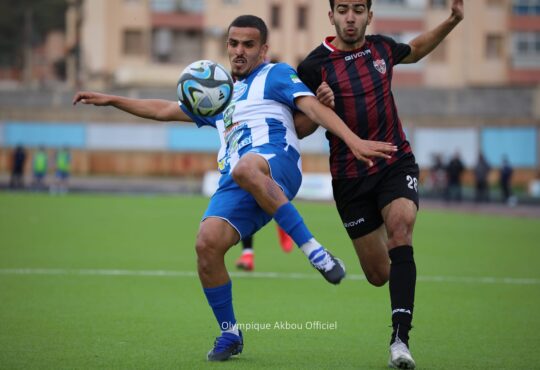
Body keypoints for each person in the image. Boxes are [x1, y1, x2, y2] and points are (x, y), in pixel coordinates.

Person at [73, 15, 397, 362]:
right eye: (233, 43)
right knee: (206, 244)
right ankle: (230, 332)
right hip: (237, 180)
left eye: (248, 44)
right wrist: (112, 99)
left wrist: (352, 140)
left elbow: (310, 110)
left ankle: (314, 250)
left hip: (277, 163)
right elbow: (165, 109)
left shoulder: (275, 74)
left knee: (247, 167)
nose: (239, 51)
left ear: (263, 49)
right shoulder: (219, 94)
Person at [296, 0, 464, 368]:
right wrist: (321, 106)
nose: (351, 16)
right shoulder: (312, 66)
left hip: (393, 160)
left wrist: (452, 20)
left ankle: (400, 340)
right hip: (349, 179)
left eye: (358, 9)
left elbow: (417, 49)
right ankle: (400, 281)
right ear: (332, 16)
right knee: (378, 275)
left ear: (370, 15)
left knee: (401, 230)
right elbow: (299, 126)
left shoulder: (383, 49)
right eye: (343, 9)